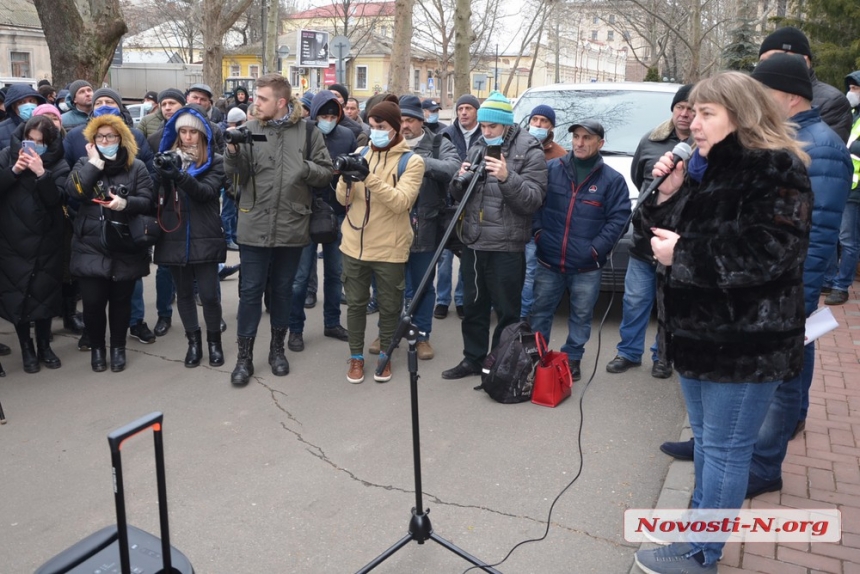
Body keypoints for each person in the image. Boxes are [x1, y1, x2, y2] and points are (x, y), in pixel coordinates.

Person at [632, 72, 812, 574]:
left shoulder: (776, 168)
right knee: (709, 445)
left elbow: (769, 251)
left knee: (728, 450)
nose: (692, 123)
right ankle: (694, 534)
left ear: (742, 113)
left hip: (745, 343)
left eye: (707, 113)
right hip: (695, 337)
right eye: (692, 112)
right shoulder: (701, 169)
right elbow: (648, 240)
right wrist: (666, 195)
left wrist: (684, 254)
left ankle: (701, 552)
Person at [224, 73, 333, 386]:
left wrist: (305, 169)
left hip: (291, 224)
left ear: (281, 102)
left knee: (283, 292)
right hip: (254, 222)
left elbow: (326, 172)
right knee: (249, 293)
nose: (255, 103)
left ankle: (277, 350)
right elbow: (236, 177)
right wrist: (232, 154)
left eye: (262, 99)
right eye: (255, 98)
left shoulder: (308, 131)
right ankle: (244, 357)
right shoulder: (249, 129)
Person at [440, 91, 546, 380]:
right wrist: (458, 179)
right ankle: (473, 360)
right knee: (473, 308)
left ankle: (498, 365)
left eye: (492, 127)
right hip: (474, 242)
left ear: (507, 125)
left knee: (507, 312)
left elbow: (533, 201)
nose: (486, 132)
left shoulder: (530, 150)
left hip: (507, 245)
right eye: (483, 126)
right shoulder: (478, 145)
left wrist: (507, 176)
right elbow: (458, 194)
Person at [529, 119, 630, 381]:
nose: (580, 143)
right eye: (576, 137)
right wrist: (539, 234)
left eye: (587, 138)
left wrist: (595, 250)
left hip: (586, 265)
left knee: (582, 316)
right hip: (548, 260)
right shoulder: (552, 169)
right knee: (540, 311)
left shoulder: (613, 181)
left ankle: (572, 359)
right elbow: (535, 204)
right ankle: (537, 357)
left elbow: (619, 220)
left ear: (600, 143)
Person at [606, 84, 694, 379]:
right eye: (680, 107)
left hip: (681, 246)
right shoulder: (651, 141)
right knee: (634, 300)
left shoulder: (706, 148)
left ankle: (663, 357)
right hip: (646, 241)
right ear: (673, 109)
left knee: (669, 306)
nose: (685, 113)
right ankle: (629, 353)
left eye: (692, 108)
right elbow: (638, 179)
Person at [336, 97, 424, 384]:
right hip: (354, 244)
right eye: (372, 125)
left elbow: (401, 202)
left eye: (381, 126)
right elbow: (342, 200)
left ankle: (385, 354)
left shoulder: (412, 161)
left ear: (396, 128)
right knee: (356, 304)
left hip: (389, 247)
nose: (374, 131)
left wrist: (368, 177)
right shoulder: (362, 150)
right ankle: (356, 357)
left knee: (389, 306)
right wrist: (346, 179)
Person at [65, 113, 155, 373]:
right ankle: (97, 349)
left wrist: (125, 204)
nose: (105, 140)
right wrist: (93, 165)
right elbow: (74, 193)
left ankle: (117, 348)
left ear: (122, 139)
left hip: (125, 243)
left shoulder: (136, 167)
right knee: (92, 303)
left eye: (111, 136)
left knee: (121, 301)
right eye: (100, 136)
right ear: (92, 140)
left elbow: (148, 200)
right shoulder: (85, 162)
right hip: (90, 244)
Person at [152, 107, 227, 368]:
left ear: (202, 134)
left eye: (192, 132)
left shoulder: (215, 162)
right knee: (183, 294)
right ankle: (193, 343)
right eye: (182, 131)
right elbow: (155, 197)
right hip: (173, 234)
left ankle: (214, 343)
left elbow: (206, 192)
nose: (187, 137)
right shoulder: (167, 159)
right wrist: (160, 174)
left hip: (204, 234)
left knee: (209, 295)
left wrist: (180, 176)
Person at [0, 115, 70, 373]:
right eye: (29, 140)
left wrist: (42, 173)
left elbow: (58, 199)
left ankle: (44, 346)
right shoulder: (7, 155)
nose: (33, 146)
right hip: (11, 239)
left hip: (46, 241)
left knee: (44, 295)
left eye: (39, 143)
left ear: (49, 144)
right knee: (18, 296)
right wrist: (14, 171)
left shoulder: (59, 163)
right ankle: (26, 348)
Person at [288, 90, 355, 352]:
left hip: (337, 213)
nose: (328, 119)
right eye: (324, 115)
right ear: (314, 115)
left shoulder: (347, 135)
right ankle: (295, 329)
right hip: (305, 214)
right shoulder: (303, 133)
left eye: (333, 115)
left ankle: (332, 322)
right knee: (300, 278)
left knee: (335, 274)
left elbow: (352, 174)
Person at [394, 95, 460, 360]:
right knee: (392, 286)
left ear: (421, 121)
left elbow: (453, 168)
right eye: (400, 120)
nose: (404, 126)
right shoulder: (386, 142)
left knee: (422, 285)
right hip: (391, 228)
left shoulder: (437, 142)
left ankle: (422, 336)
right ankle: (388, 332)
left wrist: (417, 161)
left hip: (426, 227)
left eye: (410, 120)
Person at [758, 26, 853, 143]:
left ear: (804, 59)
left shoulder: (832, 102)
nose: (767, 65)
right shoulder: (761, 95)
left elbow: (820, 149)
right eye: (762, 61)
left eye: (775, 57)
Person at [435, 94, 482, 321]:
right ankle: (442, 300)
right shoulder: (444, 135)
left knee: (466, 255)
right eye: (460, 108)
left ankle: (462, 299)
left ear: (476, 112)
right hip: (447, 203)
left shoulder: (485, 136)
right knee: (444, 257)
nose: (463, 112)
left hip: (473, 203)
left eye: (468, 108)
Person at [520, 104, 567, 321]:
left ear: (551, 126)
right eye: (534, 120)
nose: (537, 125)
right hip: (515, 221)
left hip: (540, 224)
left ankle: (524, 316)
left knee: (531, 272)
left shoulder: (560, 155)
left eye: (543, 121)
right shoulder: (517, 146)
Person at [822, 71, 860, 306]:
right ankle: (828, 280)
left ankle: (841, 285)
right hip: (839, 183)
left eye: (856, 88)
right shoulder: (851, 115)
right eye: (851, 87)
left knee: (847, 239)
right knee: (831, 234)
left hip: (855, 189)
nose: (851, 92)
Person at [222, 107, 245, 251]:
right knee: (228, 211)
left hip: (235, 179)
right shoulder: (228, 135)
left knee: (234, 211)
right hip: (229, 181)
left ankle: (234, 236)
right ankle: (228, 238)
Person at [0, 84, 46, 148]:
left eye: (32, 101)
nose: (28, 105)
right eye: (21, 102)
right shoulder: (1, 130)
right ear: (13, 107)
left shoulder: (46, 125)